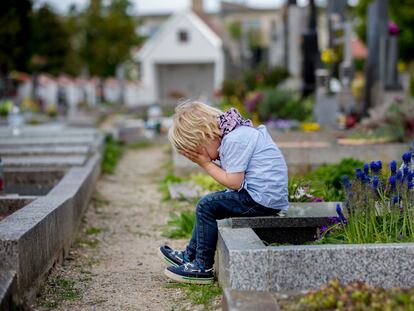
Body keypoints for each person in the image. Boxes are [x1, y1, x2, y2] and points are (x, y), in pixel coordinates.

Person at [159, 101, 288, 284]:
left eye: (200, 151)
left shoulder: (234, 139)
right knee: (211, 203)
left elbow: (234, 183)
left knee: (206, 205)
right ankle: (190, 256)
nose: (208, 157)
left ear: (206, 134)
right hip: (264, 196)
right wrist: (208, 161)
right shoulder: (235, 133)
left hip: (261, 199)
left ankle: (202, 266)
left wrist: (206, 164)